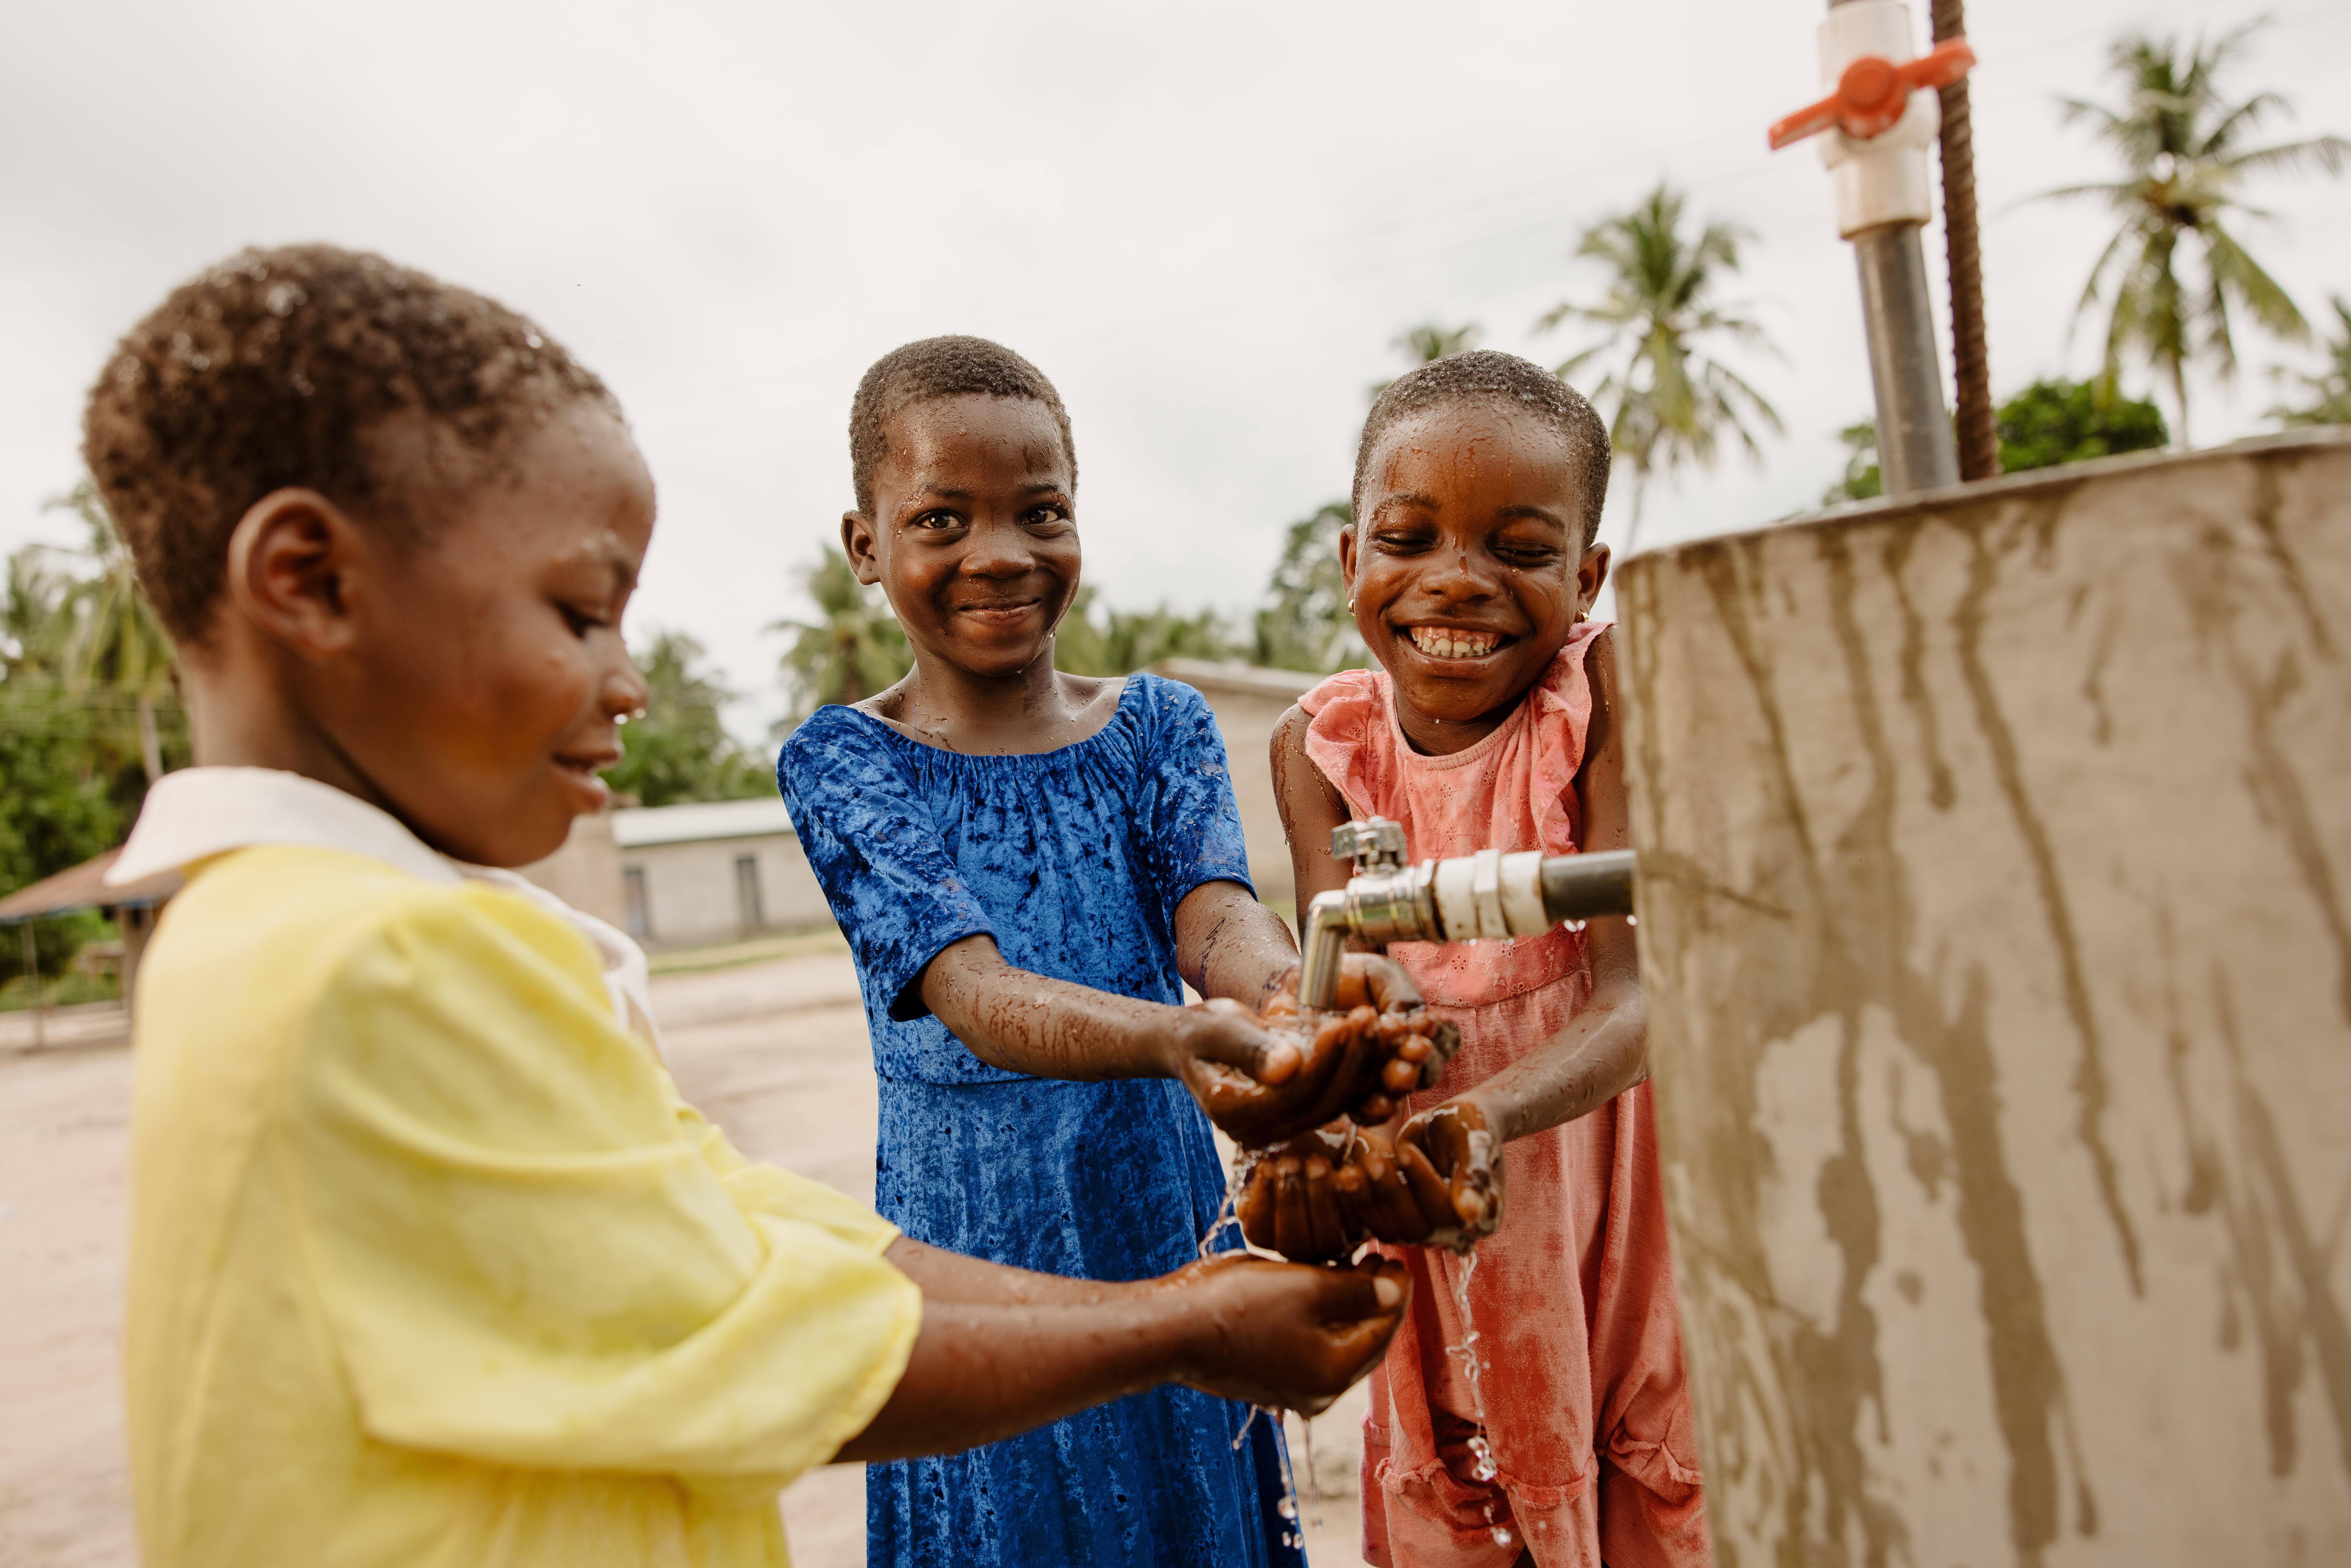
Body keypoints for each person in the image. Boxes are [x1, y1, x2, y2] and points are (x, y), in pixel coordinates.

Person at [88, 246, 1410, 1568]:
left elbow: (740, 1220)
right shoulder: (368, 964)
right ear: (311, 582)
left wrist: (1269, 1032)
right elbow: (760, 1330)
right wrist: (1174, 1326)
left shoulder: (307, 933)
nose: (628, 687)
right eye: (577, 613)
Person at [775, 336, 1446, 1568]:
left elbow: (1215, 915)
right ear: (866, 547)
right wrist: (1187, 1038)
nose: (999, 554)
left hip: (1154, 1203)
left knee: (1184, 1483)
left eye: (1040, 512)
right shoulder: (843, 761)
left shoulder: (1156, 725)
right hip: (972, 1238)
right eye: (940, 517)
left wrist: (1290, 990)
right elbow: (970, 992)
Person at [1260, 351, 1711, 1568]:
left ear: (1585, 576)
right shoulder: (1321, 748)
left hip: (1598, 1220)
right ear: (1354, 561)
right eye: (1409, 539)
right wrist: (1324, 1110)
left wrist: (1485, 1119)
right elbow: (1346, 987)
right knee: (1458, 1483)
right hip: (1429, 1221)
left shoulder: (1595, 700)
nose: (1455, 582)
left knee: (1634, 1476)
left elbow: (1640, 995)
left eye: (1517, 550)